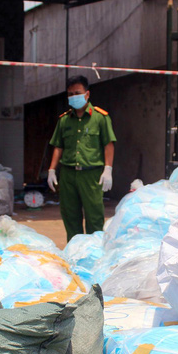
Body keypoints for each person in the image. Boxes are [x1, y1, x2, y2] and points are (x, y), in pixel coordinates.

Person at [47, 75, 116, 242]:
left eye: (77, 93)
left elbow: (108, 144)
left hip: (91, 175)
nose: (73, 97)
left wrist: (108, 169)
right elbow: (58, 146)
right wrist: (51, 170)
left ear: (87, 94)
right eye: (70, 94)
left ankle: (94, 253)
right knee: (70, 216)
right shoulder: (64, 120)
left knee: (94, 216)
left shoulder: (100, 118)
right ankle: (75, 252)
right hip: (68, 174)